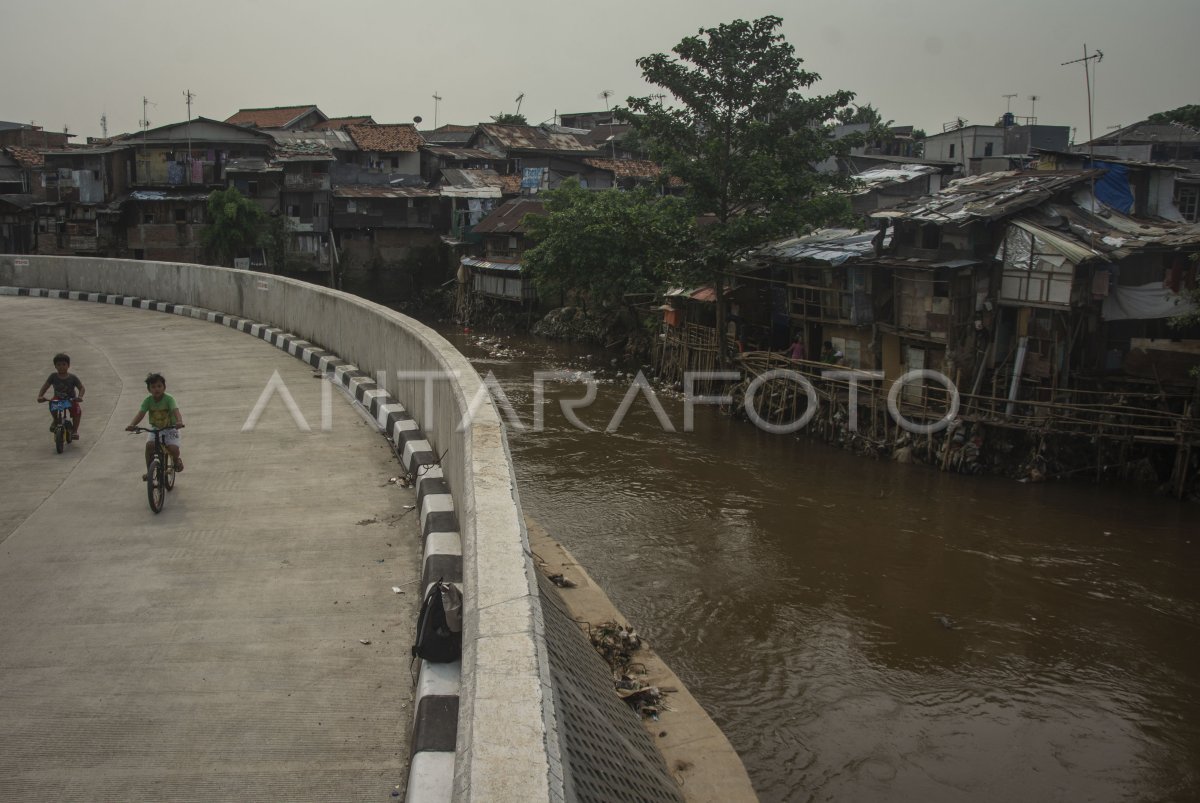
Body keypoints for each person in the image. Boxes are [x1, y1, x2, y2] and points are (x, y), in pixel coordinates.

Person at [126, 372, 185, 478]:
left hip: (171, 428)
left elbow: (176, 411)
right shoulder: (148, 401)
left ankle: (176, 460)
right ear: (149, 389)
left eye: (159, 386)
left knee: (173, 449)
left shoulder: (169, 399)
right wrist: (132, 425)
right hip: (156, 428)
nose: (156, 389)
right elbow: (141, 414)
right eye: (153, 387)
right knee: (149, 446)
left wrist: (179, 421)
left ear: (164, 387)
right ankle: (149, 470)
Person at [36, 352, 85, 440]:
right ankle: (55, 420)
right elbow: (45, 386)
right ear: (55, 366)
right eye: (58, 365)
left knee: (77, 412)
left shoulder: (72, 377)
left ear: (68, 365)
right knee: (52, 403)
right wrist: (40, 396)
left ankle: (74, 431)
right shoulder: (53, 376)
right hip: (58, 399)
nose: (61, 366)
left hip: (71, 400)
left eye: (64, 364)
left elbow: (81, 388)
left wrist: (80, 397)